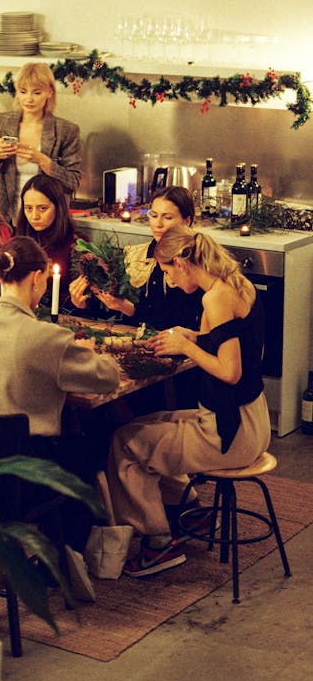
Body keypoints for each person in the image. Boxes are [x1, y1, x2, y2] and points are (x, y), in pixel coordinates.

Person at [108, 227, 269, 578]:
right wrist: (192, 336)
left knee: (124, 445)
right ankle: (191, 510)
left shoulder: (216, 298)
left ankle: (158, 543)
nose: (169, 279)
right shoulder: (234, 283)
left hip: (229, 433)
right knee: (142, 425)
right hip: (248, 419)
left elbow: (230, 372)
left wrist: (186, 347)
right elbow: (232, 346)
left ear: (181, 263)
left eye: (166, 272)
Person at [0, 236, 121, 562]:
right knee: (94, 448)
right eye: (45, 280)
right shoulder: (47, 336)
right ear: (36, 277)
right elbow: (109, 378)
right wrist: (90, 352)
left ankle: (9, 546)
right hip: (25, 479)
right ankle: (61, 559)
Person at [69, 186, 203, 331]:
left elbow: (183, 322)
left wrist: (131, 310)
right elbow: (107, 312)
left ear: (186, 221)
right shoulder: (133, 255)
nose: (158, 224)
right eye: (154, 215)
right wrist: (83, 303)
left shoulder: (196, 263)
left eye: (167, 217)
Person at [0, 61, 82, 226]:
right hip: (2, 217)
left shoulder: (65, 130)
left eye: (37, 92)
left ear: (50, 92)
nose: (29, 99)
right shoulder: (0, 121)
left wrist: (44, 161)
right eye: (23, 91)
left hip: (45, 222)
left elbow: (72, 182)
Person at [15, 173, 77, 306]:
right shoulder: (17, 241)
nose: (34, 216)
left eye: (43, 208)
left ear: (58, 207)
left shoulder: (76, 245)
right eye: (28, 208)